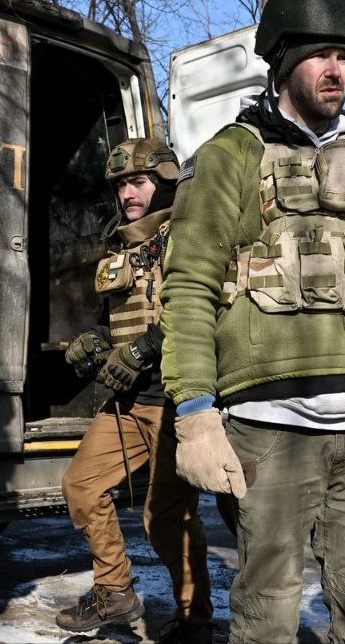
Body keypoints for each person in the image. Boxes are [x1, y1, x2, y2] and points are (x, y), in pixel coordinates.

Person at [160, 0, 345, 644]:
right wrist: (194, 414)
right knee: (266, 616)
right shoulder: (230, 157)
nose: (338, 70)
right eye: (322, 54)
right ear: (282, 57)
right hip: (269, 432)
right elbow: (188, 287)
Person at [55, 138, 213, 644]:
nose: (128, 193)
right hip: (127, 403)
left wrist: (145, 349)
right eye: (121, 184)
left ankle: (195, 619)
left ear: (164, 182)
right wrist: (95, 342)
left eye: (138, 181)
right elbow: (119, 326)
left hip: (175, 400)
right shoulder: (124, 247)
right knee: (80, 485)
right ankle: (115, 591)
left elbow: (199, 314)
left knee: (165, 519)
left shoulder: (188, 237)